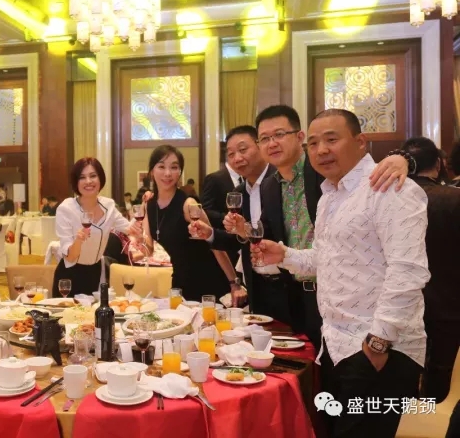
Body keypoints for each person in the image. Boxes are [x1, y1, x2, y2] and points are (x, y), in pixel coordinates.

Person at [252, 108, 429, 438]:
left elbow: (408, 272)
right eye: (314, 143)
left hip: (379, 348)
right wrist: (284, 255)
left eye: (332, 140)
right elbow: (324, 259)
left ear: (360, 142)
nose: (321, 150)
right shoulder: (329, 197)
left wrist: (379, 343)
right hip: (335, 345)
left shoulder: (390, 187)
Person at [224, 105, 411, 352]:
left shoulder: (324, 171)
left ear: (299, 137)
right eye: (265, 139)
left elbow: (366, 172)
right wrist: (245, 231)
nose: (272, 143)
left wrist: (403, 158)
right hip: (296, 294)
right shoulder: (270, 186)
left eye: (279, 134)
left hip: (349, 299)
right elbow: (271, 237)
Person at [194, 126, 279, 315]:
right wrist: (210, 234)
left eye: (242, 150)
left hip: (286, 284)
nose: (237, 158)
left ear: (260, 145)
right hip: (256, 285)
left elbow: (279, 233)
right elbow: (237, 241)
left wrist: (245, 230)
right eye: (231, 154)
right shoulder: (240, 192)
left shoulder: (280, 182)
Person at [143, 145, 240, 302]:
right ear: (151, 171)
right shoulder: (149, 204)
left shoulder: (189, 204)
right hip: (180, 281)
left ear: (180, 172)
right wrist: (135, 238)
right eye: (161, 166)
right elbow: (148, 249)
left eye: (174, 167)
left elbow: (215, 244)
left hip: (208, 281)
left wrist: (234, 283)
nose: (168, 173)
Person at [403, 137, 460, 402]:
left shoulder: (387, 200)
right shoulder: (453, 199)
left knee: (402, 376)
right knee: (442, 379)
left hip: (400, 307)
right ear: (438, 164)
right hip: (449, 306)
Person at [54, 157, 139, 297]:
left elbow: (130, 229)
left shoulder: (108, 205)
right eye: (82, 177)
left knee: (94, 310)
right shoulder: (66, 209)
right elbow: (70, 257)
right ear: (76, 182)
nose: (88, 181)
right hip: (70, 276)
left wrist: (146, 206)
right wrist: (79, 240)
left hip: (96, 272)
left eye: (93, 176)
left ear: (101, 179)